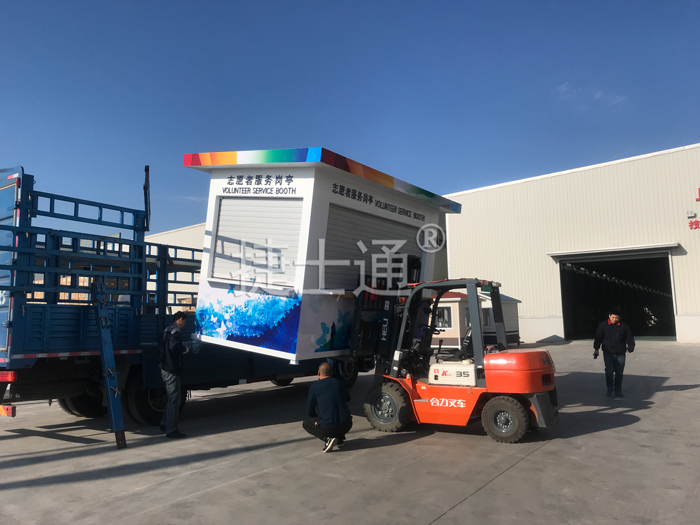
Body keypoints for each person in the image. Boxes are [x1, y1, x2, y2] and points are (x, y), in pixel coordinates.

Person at [303, 362, 352, 453]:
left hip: (329, 427)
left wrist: (317, 418)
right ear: (332, 373)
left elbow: (309, 410)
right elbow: (348, 398)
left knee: (306, 423)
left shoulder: (315, 387)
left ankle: (327, 439)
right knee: (337, 416)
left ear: (319, 373)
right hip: (347, 424)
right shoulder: (339, 383)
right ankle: (339, 439)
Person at [158, 311, 190, 438]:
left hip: (164, 368)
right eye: (184, 322)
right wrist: (186, 348)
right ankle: (171, 430)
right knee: (175, 400)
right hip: (172, 369)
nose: (184, 325)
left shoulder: (166, 330)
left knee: (171, 398)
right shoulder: (176, 331)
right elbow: (175, 347)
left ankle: (164, 423)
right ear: (180, 319)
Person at [594, 308, 635, 397]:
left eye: (616, 318)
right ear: (609, 316)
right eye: (613, 317)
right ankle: (609, 388)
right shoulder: (603, 325)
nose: (615, 319)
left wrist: (631, 347)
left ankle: (618, 390)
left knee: (619, 372)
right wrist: (596, 349)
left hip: (620, 353)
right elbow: (598, 338)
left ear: (619, 317)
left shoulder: (624, 326)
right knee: (609, 371)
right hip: (608, 353)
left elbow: (629, 338)